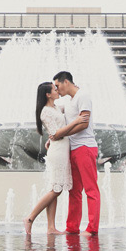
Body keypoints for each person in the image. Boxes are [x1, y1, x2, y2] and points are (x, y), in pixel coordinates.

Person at [49, 71, 99, 235]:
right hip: (74, 149)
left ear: (66, 82)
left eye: (58, 86)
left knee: (90, 190)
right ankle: (72, 227)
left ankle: (92, 228)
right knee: (74, 190)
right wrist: (54, 137)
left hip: (85, 147)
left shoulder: (82, 95)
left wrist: (61, 133)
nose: (57, 90)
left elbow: (84, 123)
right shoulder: (70, 102)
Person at [24, 82, 71, 234]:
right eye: (54, 89)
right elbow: (56, 132)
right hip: (58, 151)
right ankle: (30, 218)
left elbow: (70, 109)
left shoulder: (55, 108)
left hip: (61, 148)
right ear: (48, 94)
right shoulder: (45, 112)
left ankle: (51, 227)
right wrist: (76, 123)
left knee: (54, 188)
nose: (57, 90)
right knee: (56, 190)